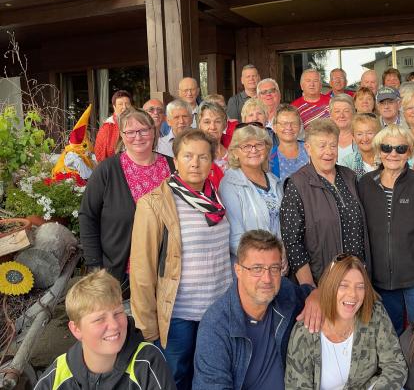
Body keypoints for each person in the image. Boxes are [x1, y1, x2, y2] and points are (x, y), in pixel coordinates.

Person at [130, 129, 232, 390]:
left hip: (218, 311)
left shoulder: (218, 199)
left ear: (212, 161)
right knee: (175, 380)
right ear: (175, 161)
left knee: (211, 378)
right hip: (179, 317)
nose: (195, 163)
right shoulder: (154, 204)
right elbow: (142, 271)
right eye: (187, 156)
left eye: (202, 157)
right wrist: (148, 327)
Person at [193, 230, 317, 390]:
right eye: (257, 269)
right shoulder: (215, 327)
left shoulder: (285, 293)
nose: (267, 279)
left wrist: (316, 296)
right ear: (238, 271)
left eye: (274, 268)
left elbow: (311, 293)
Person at [358, 125, 414, 334]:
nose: (393, 154)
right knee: (390, 334)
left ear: (409, 151)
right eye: (387, 147)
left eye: (400, 149)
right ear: (378, 150)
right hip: (379, 280)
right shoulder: (364, 184)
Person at [34, 270, 176, 390]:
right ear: (76, 329)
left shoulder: (147, 362)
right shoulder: (58, 374)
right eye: (99, 319)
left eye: (118, 313)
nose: (114, 325)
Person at [285, 254, 407, 389]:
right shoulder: (305, 330)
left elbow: (395, 365)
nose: (353, 294)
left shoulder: (375, 313)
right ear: (330, 287)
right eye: (344, 285)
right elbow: (296, 386)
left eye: (360, 287)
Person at [80, 108, 172, 283]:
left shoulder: (171, 167)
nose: (138, 137)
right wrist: (95, 265)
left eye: (144, 130)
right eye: (130, 132)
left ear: (154, 131)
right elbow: (88, 216)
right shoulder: (107, 171)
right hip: (121, 273)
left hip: (166, 270)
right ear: (122, 135)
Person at [280, 119, 370, 285]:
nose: (328, 152)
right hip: (322, 280)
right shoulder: (297, 184)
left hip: (356, 277)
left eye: (333, 145)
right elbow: (292, 242)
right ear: (308, 148)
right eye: (322, 146)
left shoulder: (349, 176)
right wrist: (309, 289)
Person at [219, 125, 283, 263]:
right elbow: (235, 237)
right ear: (235, 152)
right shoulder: (230, 184)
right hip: (250, 266)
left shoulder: (275, 182)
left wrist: (283, 255)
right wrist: (262, 261)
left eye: (259, 145)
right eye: (246, 146)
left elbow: (283, 226)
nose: (253, 150)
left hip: (278, 263)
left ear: (266, 149)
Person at [269, 104, 309, 183]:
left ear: (300, 126)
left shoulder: (310, 149)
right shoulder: (270, 157)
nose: (289, 128)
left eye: (293, 123)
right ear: (274, 127)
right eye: (284, 123)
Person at [95, 90, 132, 162]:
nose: (124, 107)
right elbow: (100, 152)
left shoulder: (137, 123)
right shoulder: (108, 126)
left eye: (127, 104)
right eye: (120, 104)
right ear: (114, 107)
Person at [341, 113, 381, 179]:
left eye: (369, 133)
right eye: (359, 134)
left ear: (378, 134)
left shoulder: (388, 158)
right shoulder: (348, 162)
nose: (365, 139)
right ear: (353, 137)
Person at [197, 101, 229, 182]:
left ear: (224, 125)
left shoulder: (235, 148)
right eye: (207, 122)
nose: (212, 127)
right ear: (200, 125)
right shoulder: (195, 153)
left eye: (217, 121)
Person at [330, 94, 356, 164]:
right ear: (331, 115)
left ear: (353, 114)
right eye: (337, 111)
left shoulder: (362, 139)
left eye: (346, 111)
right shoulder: (324, 139)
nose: (341, 115)